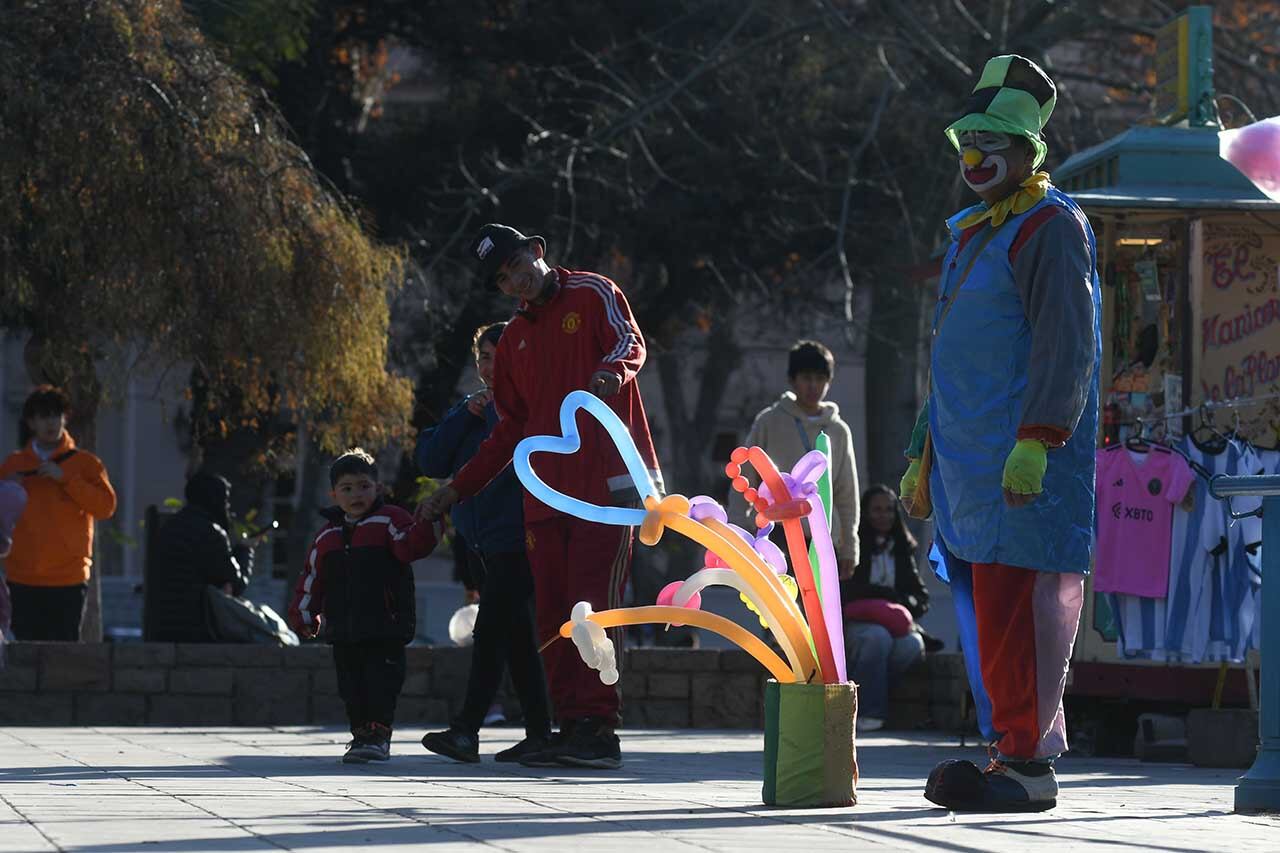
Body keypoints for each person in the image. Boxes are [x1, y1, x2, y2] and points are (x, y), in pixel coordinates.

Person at [898, 55, 1099, 812]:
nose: (976, 157)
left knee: (1021, 612)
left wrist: (1039, 435)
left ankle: (1026, 761)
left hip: (1020, 465)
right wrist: (924, 449)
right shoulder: (975, 232)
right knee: (989, 615)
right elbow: (952, 352)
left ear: (1029, 153)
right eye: (969, 142)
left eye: (994, 143)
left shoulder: (1050, 226)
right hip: (970, 465)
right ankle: (1008, 749)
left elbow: (1066, 341)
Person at [420, 223, 663, 770]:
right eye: (502, 278)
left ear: (537, 251)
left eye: (516, 264)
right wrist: (453, 490)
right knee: (552, 611)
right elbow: (508, 431)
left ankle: (600, 728)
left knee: (592, 605)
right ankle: (570, 724)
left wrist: (608, 374)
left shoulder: (592, 292)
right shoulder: (511, 343)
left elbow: (631, 342)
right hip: (545, 494)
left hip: (606, 487)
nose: (514, 280)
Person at [416, 322, 553, 764]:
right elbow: (432, 460)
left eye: (496, 356)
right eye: (483, 359)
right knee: (515, 640)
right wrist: (465, 415)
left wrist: (494, 412)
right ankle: (538, 733)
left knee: (491, 632)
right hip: (479, 546)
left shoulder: (525, 410)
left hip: (517, 540)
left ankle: (466, 729)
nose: (489, 367)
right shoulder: (470, 410)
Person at [287, 449, 443, 763]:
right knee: (351, 686)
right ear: (334, 494)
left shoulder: (391, 519)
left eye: (363, 486)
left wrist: (428, 522)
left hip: (386, 624)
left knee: (381, 684)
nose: (356, 494)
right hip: (344, 629)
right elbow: (312, 576)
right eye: (347, 488)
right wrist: (304, 614)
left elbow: (411, 547)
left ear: (378, 488)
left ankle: (378, 735)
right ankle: (361, 734)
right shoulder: (326, 535)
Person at [732, 340, 860, 575]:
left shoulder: (838, 430)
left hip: (823, 537)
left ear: (828, 382)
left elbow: (846, 492)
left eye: (820, 378)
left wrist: (850, 547)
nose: (813, 386)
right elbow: (745, 477)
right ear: (793, 380)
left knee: (818, 610)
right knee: (776, 609)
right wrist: (741, 531)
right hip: (777, 535)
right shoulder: (769, 421)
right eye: (807, 378)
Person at [0, 385, 116, 641]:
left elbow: (105, 507)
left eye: (55, 415)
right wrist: (8, 486)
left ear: (65, 418)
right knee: (23, 660)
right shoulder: (13, 465)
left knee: (63, 659)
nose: (50, 423)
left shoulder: (86, 464)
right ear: (31, 423)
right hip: (22, 577)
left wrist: (66, 479)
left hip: (68, 579)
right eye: (43, 416)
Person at [840, 485, 930, 733]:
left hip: (896, 625)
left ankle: (864, 697)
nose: (884, 515)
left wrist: (900, 603)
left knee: (912, 646)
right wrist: (883, 596)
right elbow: (847, 591)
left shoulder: (902, 549)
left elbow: (921, 596)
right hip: (859, 623)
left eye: (889, 510)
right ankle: (871, 712)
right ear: (866, 513)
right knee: (876, 639)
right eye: (877, 510)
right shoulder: (853, 549)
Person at [147, 472, 256, 642]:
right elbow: (236, 584)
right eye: (225, 500)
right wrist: (245, 551)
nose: (228, 507)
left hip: (161, 624)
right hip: (198, 628)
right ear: (216, 500)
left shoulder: (170, 527)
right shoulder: (211, 532)